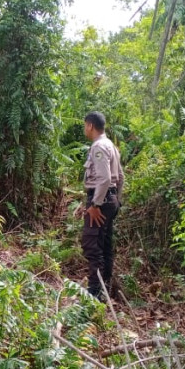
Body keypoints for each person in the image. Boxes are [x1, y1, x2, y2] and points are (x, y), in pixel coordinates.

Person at [76, 112, 125, 299]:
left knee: (92, 245)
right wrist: (117, 201)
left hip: (101, 201)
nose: (84, 129)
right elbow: (120, 177)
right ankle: (105, 289)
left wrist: (96, 205)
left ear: (90, 126)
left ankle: (95, 294)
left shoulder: (98, 147)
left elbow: (104, 179)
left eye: (84, 125)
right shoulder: (111, 145)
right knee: (104, 245)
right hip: (110, 200)